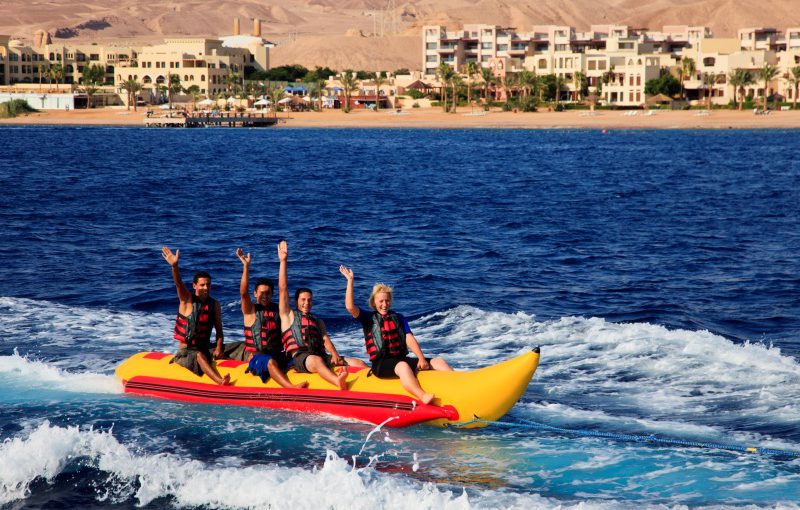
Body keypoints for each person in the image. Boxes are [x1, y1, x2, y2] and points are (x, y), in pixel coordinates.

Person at [339, 266, 452, 405]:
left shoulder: (398, 318)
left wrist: (421, 359)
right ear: (374, 302)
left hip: (400, 359)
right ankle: (422, 396)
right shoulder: (368, 318)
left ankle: (457, 385)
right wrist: (350, 280)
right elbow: (350, 307)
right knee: (403, 366)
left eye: (387, 301)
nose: (384, 304)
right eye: (381, 301)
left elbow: (409, 338)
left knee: (438, 362)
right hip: (380, 364)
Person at [277, 241, 366, 390]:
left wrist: (335, 355)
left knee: (359, 363)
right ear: (296, 302)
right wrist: (283, 261)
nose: (306, 303)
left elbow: (325, 339)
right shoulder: (288, 316)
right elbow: (282, 289)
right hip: (302, 358)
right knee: (316, 360)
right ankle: (338, 382)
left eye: (309, 300)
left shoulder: (317, 320)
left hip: (322, 356)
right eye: (303, 300)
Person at [230, 247, 307, 389]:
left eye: (268, 293)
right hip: (258, 359)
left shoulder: (277, 310)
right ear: (255, 294)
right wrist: (246, 266)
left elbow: (283, 289)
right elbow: (243, 293)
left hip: (278, 355)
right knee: (270, 362)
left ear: (272, 294)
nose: (265, 296)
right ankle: (290, 388)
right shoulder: (250, 311)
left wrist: (283, 261)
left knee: (300, 359)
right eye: (261, 293)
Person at [161, 246, 230, 385]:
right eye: (202, 285)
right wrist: (174, 266)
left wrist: (218, 348)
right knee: (198, 355)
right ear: (194, 286)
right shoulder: (187, 301)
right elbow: (179, 284)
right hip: (186, 352)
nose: (206, 288)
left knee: (240, 346)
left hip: (206, 348)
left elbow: (219, 332)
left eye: (208, 285)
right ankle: (220, 381)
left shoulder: (214, 304)